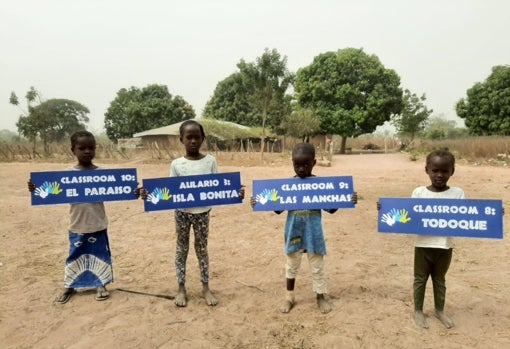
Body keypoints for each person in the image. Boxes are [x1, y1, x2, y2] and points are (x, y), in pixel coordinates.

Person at [142, 120, 244, 307]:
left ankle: (205, 288)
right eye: (189, 137)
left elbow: (219, 187)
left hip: (203, 213)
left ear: (203, 138)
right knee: (182, 249)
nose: (193, 141)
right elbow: (170, 191)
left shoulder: (210, 161)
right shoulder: (176, 164)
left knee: (201, 250)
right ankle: (181, 288)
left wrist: (235, 192)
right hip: (181, 213)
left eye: (197, 137)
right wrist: (149, 195)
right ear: (181, 139)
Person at [251, 142, 357, 314]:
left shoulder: (320, 185)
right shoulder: (286, 186)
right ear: (292, 163)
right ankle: (289, 297)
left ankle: (320, 296)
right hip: (294, 232)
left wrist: (346, 199)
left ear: (314, 163)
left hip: (314, 234)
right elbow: (277, 208)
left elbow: (331, 208)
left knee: (317, 267)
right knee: (291, 265)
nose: (300, 169)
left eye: (305, 165)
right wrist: (260, 202)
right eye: (296, 165)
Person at [28, 131, 114, 304]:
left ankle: (100, 283)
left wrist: (133, 190)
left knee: (100, 254)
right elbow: (48, 191)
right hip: (77, 224)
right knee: (75, 255)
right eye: (82, 148)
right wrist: (35, 189)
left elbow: (119, 189)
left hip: (98, 223)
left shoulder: (103, 173)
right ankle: (70, 285)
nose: (87, 151)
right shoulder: (67, 175)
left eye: (91, 148)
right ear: (72, 150)